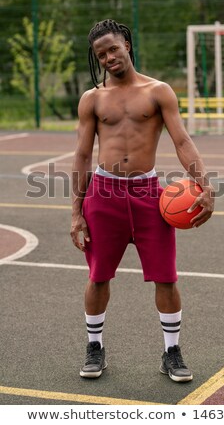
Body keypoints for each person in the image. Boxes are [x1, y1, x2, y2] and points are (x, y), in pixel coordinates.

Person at [70, 19, 214, 383]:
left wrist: (204, 185)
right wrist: (76, 213)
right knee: (99, 276)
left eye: (113, 49)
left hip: (150, 195)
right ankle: (94, 347)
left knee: (166, 277)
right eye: (101, 54)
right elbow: (83, 155)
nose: (108, 57)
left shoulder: (159, 91)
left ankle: (172, 352)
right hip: (103, 195)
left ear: (127, 45)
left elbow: (181, 142)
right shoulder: (93, 99)